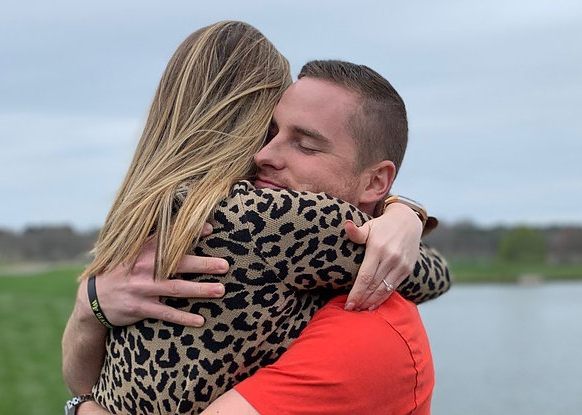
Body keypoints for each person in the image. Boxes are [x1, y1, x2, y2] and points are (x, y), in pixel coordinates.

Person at [62, 22, 449, 414]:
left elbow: (81, 382)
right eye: (268, 131)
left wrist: (80, 405)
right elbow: (426, 272)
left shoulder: (149, 212)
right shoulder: (269, 217)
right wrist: (405, 216)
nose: (264, 155)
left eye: (305, 144)